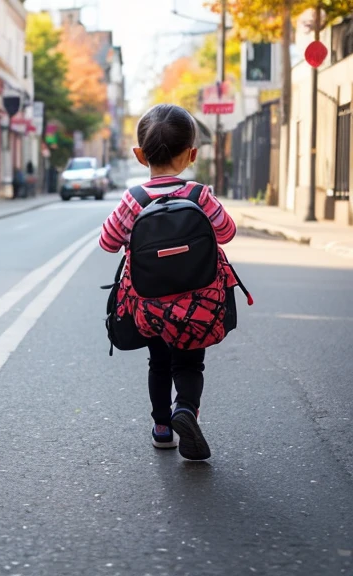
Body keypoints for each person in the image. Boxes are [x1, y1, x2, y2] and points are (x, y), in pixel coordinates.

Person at [99, 104, 238, 461]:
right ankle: (186, 410)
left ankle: (162, 428)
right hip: (199, 303)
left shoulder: (134, 199)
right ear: (191, 154)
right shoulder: (199, 196)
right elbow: (227, 232)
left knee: (159, 363)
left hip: (150, 305)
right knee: (190, 363)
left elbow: (107, 242)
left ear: (139, 154)